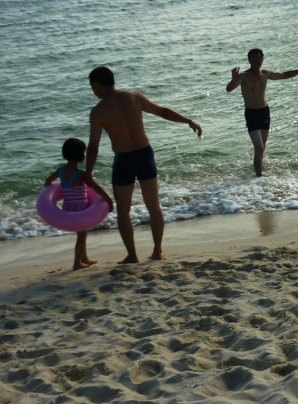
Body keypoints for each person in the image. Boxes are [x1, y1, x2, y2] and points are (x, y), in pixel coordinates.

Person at [86, 66, 202, 263]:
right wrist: (187, 120)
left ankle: (132, 255)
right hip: (144, 154)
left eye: (92, 87)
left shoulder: (98, 112)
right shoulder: (134, 96)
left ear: (98, 84)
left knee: (123, 209)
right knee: (153, 205)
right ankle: (158, 251)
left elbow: (93, 147)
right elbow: (162, 111)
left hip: (124, 159)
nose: (93, 91)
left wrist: (88, 172)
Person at [226, 49, 298, 177]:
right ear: (249, 60)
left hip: (264, 112)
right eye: (254, 58)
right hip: (251, 114)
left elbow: (284, 75)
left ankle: (258, 175)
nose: (257, 61)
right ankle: (259, 177)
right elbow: (229, 89)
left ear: (262, 59)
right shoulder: (244, 76)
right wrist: (234, 80)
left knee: (261, 148)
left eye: (259, 58)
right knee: (259, 147)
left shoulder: (265, 74)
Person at [44, 137, 114, 270]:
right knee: (82, 236)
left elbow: (48, 181)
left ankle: (84, 258)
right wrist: (109, 200)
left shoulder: (61, 170)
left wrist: (53, 190)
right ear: (81, 156)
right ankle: (77, 263)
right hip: (81, 207)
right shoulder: (81, 174)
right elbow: (97, 188)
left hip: (68, 207)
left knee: (82, 234)